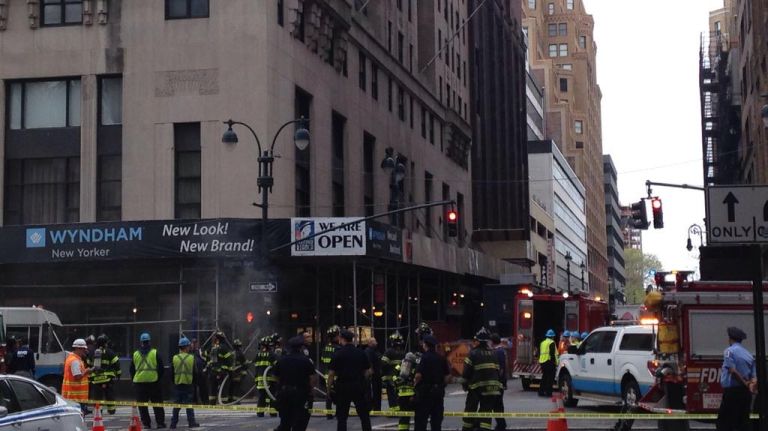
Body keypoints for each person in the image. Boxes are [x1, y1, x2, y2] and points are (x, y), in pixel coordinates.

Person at [328, 329, 372, 431]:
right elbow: (368, 372)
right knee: (364, 415)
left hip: (343, 387)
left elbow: (331, 374)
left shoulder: (338, 354)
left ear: (342, 338)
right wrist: (362, 381)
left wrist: (329, 389)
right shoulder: (360, 352)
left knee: (342, 417)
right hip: (358, 386)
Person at [462, 327, 503, 431]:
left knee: (470, 409)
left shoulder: (473, 353)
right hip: (493, 388)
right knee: (486, 412)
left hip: (476, 387)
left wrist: (465, 385)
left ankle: (467, 428)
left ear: (478, 341)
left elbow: (466, 372)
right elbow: (499, 371)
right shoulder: (494, 353)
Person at [716, 327, 757, 431]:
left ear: (730, 339)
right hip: (745, 394)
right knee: (743, 423)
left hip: (732, 393)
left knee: (723, 424)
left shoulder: (729, 351)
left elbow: (732, 370)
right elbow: (754, 377)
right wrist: (751, 385)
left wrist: (745, 383)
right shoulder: (749, 355)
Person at [273, 335, 317, 431]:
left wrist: (281, 387)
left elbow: (276, 377)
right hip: (301, 394)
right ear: (301, 347)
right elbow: (312, 378)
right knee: (300, 423)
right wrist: (311, 391)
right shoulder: (306, 361)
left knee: (285, 422)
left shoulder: (281, 360)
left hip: (285, 394)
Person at [414, 335, 449, 431]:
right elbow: (447, 377)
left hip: (425, 394)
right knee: (436, 422)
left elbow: (418, 375)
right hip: (438, 394)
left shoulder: (424, 357)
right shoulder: (441, 358)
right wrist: (441, 386)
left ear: (425, 345)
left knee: (421, 421)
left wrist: (415, 384)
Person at [131, 332, 166, 429]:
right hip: (153, 382)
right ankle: (160, 423)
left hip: (139, 383)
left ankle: (146, 424)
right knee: (157, 404)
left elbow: (132, 370)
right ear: (149, 341)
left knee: (142, 406)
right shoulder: (155, 353)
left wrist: (134, 379)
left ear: (141, 342)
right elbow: (161, 368)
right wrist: (157, 377)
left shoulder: (135, 354)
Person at [170, 337, 200, 429]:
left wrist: (174, 382)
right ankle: (191, 422)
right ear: (186, 347)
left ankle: (173, 423)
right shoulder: (191, 358)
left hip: (178, 384)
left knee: (176, 405)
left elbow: (172, 372)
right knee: (189, 405)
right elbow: (195, 372)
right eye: (188, 346)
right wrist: (195, 383)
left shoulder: (175, 358)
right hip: (188, 384)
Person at [89, 334, 121, 415]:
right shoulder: (110, 352)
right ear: (105, 343)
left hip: (96, 380)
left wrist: (90, 377)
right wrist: (118, 374)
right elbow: (116, 364)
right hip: (107, 379)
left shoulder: (92, 352)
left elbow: (88, 363)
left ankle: (98, 411)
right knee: (110, 395)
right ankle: (111, 410)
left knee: (97, 397)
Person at [62, 339, 91, 414]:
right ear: (78, 348)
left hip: (73, 396)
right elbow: (77, 377)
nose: (85, 351)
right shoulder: (75, 361)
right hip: (76, 397)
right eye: (84, 349)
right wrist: (86, 372)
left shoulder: (71, 358)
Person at [254, 336, 278, 417]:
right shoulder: (272, 355)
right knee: (272, 395)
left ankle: (260, 412)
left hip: (260, 379)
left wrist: (256, 379)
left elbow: (255, 367)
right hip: (271, 379)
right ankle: (273, 412)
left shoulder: (258, 355)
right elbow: (277, 366)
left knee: (262, 396)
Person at [207, 331, 233, 405]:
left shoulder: (213, 348)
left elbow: (208, 359)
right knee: (224, 389)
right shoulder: (224, 348)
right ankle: (223, 403)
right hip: (222, 373)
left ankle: (212, 403)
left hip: (212, 372)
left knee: (212, 389)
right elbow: (229, 360)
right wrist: (231, 371)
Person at [321, 325, 342, 419]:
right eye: (338, 335)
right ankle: (338, 413)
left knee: (328, 393)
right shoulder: (338, 349)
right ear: (335, 336)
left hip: (326, 375)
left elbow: (322, 360)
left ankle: (328, 413)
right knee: (339, 395)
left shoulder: (325, 348)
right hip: (336, 375)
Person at [382, 331, 406, 411]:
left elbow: (383, 364)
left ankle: (394, 409)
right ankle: (399, 407)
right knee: (400, 393)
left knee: (392, 393)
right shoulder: (403, 352)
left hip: (391, 378)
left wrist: (384, 377)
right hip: (401, 377)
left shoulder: (389, 351)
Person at [491, 333, 507, 431]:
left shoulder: (498, 352)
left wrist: (497, 380)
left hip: (498, 383)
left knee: (497, 405)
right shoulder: (500, 351)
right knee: (498, 405)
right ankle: (501, 424)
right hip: (500, 382)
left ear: (493, 342)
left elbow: (501, 368)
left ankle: (501, 425)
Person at [538, 329, 558, 397]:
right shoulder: (551, 342)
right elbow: (552, 354)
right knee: (550, 378)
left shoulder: (542, 343)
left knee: (544, 377)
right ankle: (548, 392)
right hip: (549, 362)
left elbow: (540, 352)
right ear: (552, 336)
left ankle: (541, 391)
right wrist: (555, 363)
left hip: (542, 362)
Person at [365, 338, 383, 411]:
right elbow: (368, 362)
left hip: (378, 376)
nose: (376, 343)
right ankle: (370, 408)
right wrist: (370, 372)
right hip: (372, 376)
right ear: (369, 343)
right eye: (374, 341)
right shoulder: (368, 351)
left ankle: (377, 409)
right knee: (372, 392)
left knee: (378, 392)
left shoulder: (376, 351)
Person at [228, 339, 248, 403]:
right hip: (238, 373)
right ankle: (235, 400)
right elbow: (245, 364)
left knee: (231, 386)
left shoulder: (231, 353)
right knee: (237, 387)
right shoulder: (240, 354)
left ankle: (230, 399)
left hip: (231, 373)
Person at [190, 338, 209, 405]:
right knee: (194, 388)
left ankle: (205, 401)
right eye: (193, 343)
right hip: (193, 373)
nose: (194, 344)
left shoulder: (200, 351)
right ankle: (195, 401)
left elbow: (206, 359)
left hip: (201, 372)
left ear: (197, 344)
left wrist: (205, 369)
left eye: (195, 343)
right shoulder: (190, 352)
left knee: (203, 387)